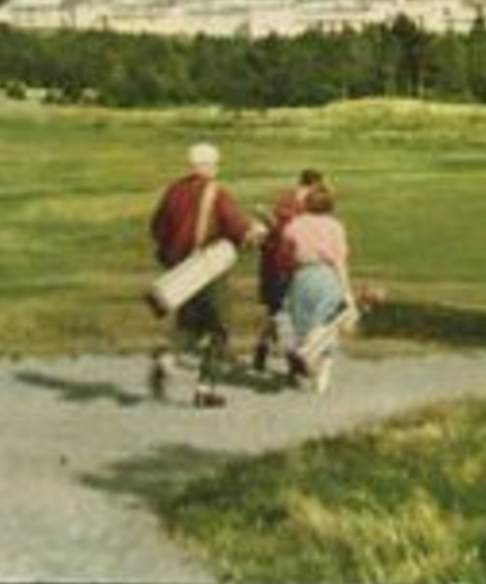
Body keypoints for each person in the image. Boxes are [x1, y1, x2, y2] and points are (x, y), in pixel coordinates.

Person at [148, 142, 263, 408]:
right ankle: (204, 389)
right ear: (208, 166)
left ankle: (167, 357)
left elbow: (157, 228)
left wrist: (171, 255)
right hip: (209, 269)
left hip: (179, 272)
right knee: (220, 329)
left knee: (188, 325)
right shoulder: (216, 193)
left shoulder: (173, 191)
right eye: (215, 164)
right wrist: (257, 231)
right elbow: (239, 229)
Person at [278, 184, 356, 393]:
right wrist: (347, 292)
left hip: (302, 276)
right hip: (327, 277)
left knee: (302, 323)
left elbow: (284, 255)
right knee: (328, 324)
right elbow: (339, 260)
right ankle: (322, 370)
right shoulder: (335, 226)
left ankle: (306, 361)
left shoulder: (295, 225)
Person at [252, 168, 326, 373]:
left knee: (275, 311)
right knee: (288, 313)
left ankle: (261, 348)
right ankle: (292, 360)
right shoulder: (304, 207)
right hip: (286, 265)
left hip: (273, 264)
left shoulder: (284, 201)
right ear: (313, 186)